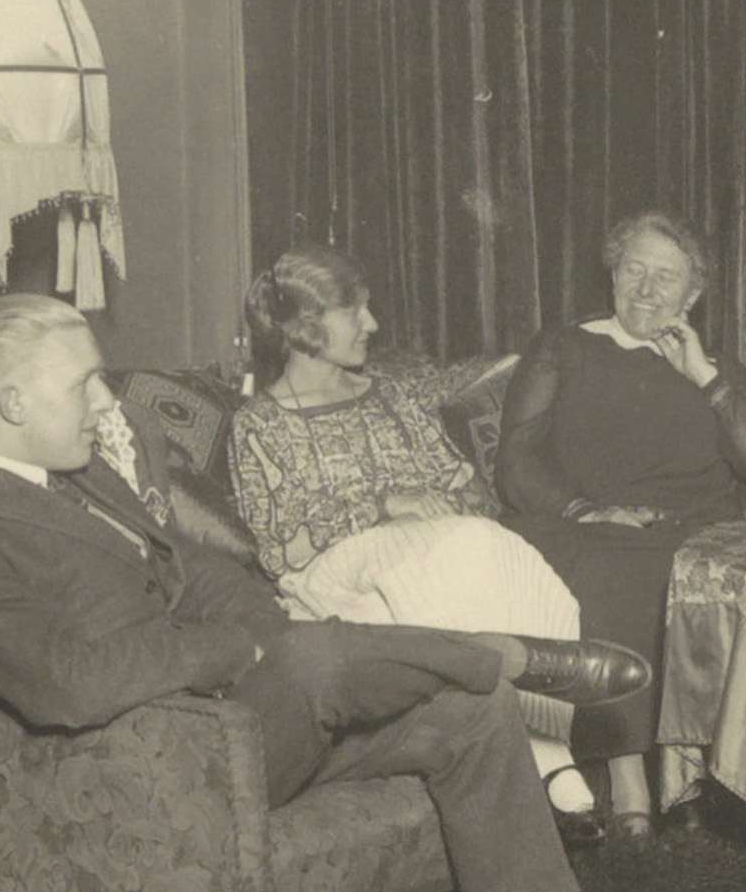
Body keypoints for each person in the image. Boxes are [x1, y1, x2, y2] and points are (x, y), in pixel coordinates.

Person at [0, 293, 659, 892]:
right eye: (84, 385)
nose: (106, 402)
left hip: (247, 725)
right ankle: (507, 652)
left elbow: (192, 571)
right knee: (318, 656)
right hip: (156, 768)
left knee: (475, 707)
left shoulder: (80, 474)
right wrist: (236, 650)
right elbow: (68, 686)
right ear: (13, 403)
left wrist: (263, 634)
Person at [229, 245, 602, 841]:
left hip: (432, 555)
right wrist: (384, 506)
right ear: (306, 327)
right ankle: (548, 759)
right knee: (462, 551)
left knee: (503, 557)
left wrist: (441, 506)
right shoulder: (259, 424)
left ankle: (541, 741)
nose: (372, 324)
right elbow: (279, 548)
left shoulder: (393, 397)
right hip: (329, 575)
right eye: (355, 311)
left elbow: (470, 488)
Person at [497, 210, 746, 840]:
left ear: (693, 295)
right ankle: (629, 776)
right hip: (588, 522)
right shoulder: (565, 347)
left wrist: (703, 376)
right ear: (613, 274)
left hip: (694, 527)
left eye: (666, 277)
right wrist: (582, 509)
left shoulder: (714, 365)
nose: (647, 289)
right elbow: (516, 458)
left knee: (689, 566)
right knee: (611, 564)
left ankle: (708, 777)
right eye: (634, 269)